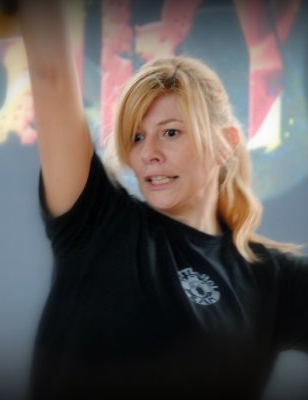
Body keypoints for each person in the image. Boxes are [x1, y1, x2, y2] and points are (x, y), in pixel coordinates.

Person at [16, 1, 308, 399]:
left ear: (225, 144)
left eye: (170, 132)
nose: (148, 152)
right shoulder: (96, 222)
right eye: (137, 137)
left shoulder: (271, 278)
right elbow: (50, 75)